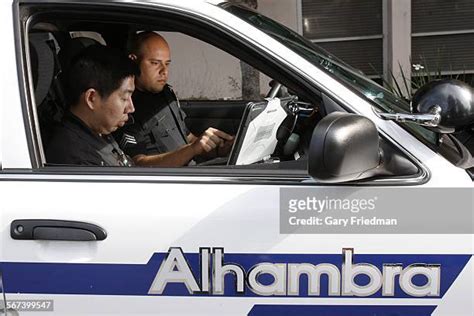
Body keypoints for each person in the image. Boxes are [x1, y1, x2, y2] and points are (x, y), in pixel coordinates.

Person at [116, 31, 234, 167]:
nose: (164, 71)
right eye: (155, 63)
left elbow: (188, 139)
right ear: (133, 61)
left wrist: (219, 150)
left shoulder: (166, 93)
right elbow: (138, 164)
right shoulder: (125, 107)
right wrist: (191, 150)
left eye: (167, 64)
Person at [46, 45, 138, 166]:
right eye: (124, 98)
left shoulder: (98, 133)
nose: (131, 108)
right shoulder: (76, 160)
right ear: (91, 98)